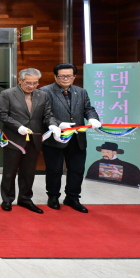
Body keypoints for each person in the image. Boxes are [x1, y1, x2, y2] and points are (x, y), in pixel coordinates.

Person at [40, 63, 101, 213]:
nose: (65, 78)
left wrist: (93, 118)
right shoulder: (44, 91)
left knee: (77, 169)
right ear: (55, 76)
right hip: (55, 138)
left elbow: (88, 109)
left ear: (74, 76)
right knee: (54, 170)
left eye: (69, 76)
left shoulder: (81, 91)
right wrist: (58, 124)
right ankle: (53, 196)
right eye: (62, 76)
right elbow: (44, 114)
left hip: (77, 138)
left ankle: (73, 197)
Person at [0, 68, 59, 213]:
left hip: (34, 139)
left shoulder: (43, 95)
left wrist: (53, 125)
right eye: (28, 83)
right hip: (14, 138)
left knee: (29, 172)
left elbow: (48, 114)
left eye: (35, 83)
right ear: (20, 80)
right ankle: (7, 199)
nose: (32, 86)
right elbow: (1, 114)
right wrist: (18, 127)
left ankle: (25, 198)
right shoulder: (8, 94)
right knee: (10, 172)